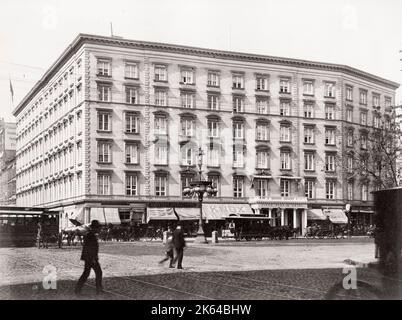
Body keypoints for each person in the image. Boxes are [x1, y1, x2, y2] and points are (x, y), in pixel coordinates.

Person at [74, 220, 103, 295]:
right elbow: (89, 248)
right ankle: (98, 289)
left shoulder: (90, 235)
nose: (99, 230)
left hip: (89, 258)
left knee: (86, 273)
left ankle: (78, 289)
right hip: (91, 258)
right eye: (98, 228)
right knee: (98, 272)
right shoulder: (90, 236)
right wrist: (93, 258)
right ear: (94, 228)